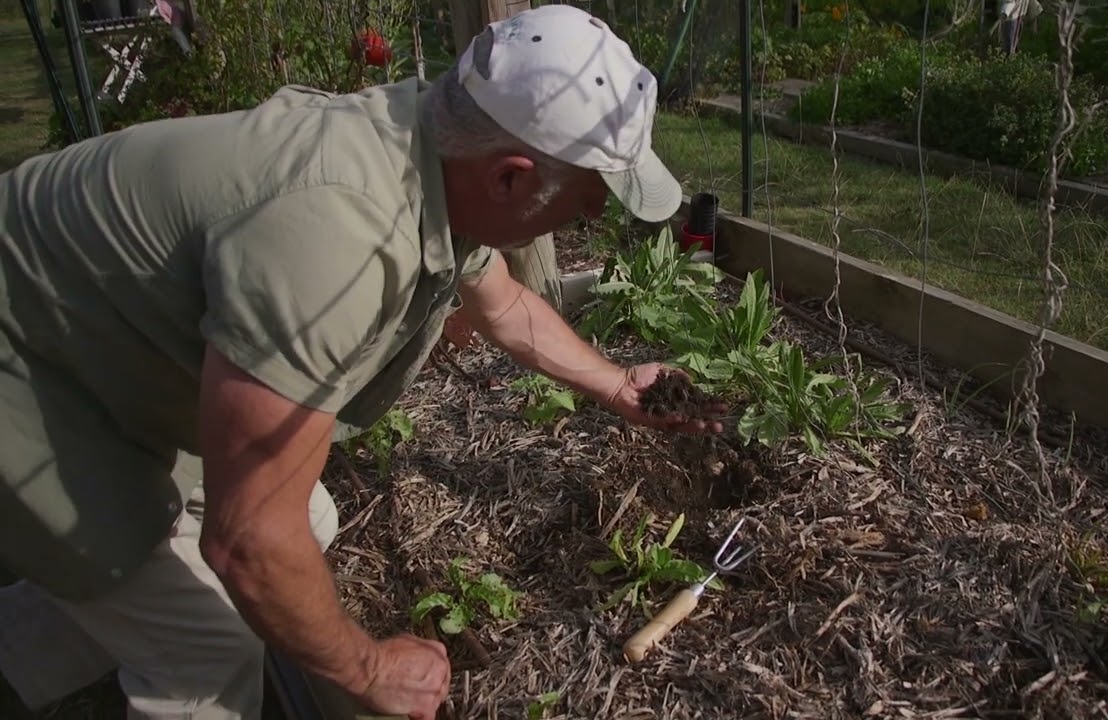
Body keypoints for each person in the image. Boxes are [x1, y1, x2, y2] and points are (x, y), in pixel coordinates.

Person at [0, 4, 719, 719]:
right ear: (509, 177)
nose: (583, 223)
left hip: (93, 346)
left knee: (303, 520)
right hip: (29, 370)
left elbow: (502, 307)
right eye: (584, 208)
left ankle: (25, 655)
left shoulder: (426, 147)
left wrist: (621, 384)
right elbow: (248, 541)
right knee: (209, 654)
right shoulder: (332, 235)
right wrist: (368, 668)